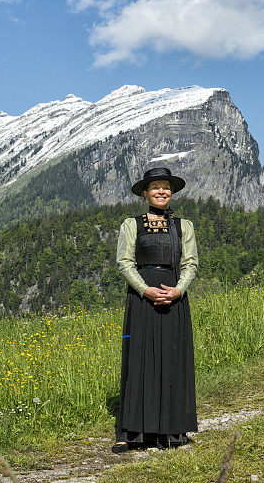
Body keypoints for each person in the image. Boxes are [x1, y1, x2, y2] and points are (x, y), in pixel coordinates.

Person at [111, 167, 199, 453]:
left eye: (166, 188)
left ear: (171, 193)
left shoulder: (183, 226)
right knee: (139, 358)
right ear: (146, 194)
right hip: (142, 297)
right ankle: (131, 432)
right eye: (156, 188)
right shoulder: (131, 224)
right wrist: (145, 290)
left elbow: (190, 263)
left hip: (174, 295)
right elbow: (124, 262)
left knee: (173, 357)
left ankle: (172, 430)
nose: (162, 192)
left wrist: (178, 290)